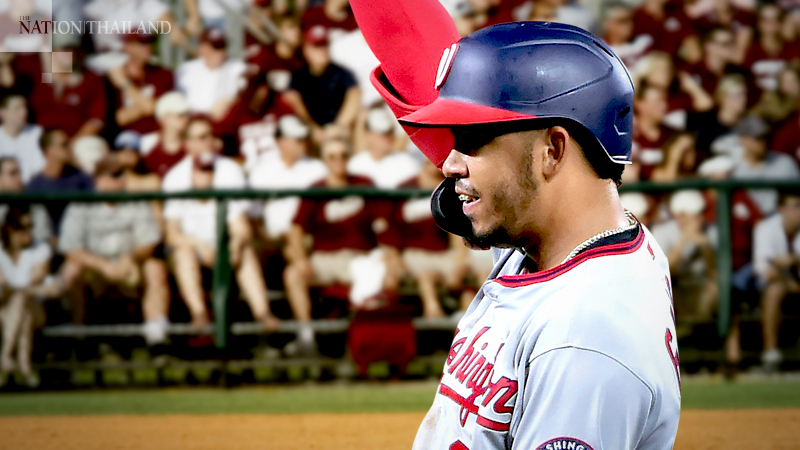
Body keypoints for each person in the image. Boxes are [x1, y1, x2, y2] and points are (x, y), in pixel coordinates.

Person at [351, 1, 680, 448]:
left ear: (553, 150)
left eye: (471, 138)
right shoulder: (551, 237)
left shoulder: (584, 337)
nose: (447, 161)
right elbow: (414, 50)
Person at [163, 116, 279, 331]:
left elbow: (240, 224)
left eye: (210, 135)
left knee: (244, 251)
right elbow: (172, 234)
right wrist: (199, 245)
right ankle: (199, 314)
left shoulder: (229, 170)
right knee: (183, 254)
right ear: (187, 143)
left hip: (224, 242)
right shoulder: (175, 177)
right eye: (201, 137)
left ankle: (263, 313)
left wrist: (232, 246)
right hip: (194, 247)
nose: (208, 141)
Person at [284, 137, 398, 355]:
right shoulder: (315, 190)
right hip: (324, 259)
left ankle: (370, 350)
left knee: (384, 280)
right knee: (293, 274)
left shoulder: (364, 184)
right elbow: (295, 230)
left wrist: (389, 256)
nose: (338, 161)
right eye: (332, 156)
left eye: (343, 156)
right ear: (324, 160)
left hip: (361, 258)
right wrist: (301, 259)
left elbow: (384, 225)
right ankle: (306, 336)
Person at [59, 157, 170, 349]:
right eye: (113, 176)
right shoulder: (81, 203)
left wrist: (130, 257)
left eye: (121, 175)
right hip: (94, 268)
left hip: (130, 265)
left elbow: (149, 242)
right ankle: (78, 339)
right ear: (98, 180)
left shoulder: (136, 201)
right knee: (70, 270)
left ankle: (157, 340)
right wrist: (102, 265)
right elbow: (71, 248)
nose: (120, 180)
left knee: (155, 268)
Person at [0, 206, 51, 388]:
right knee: (23, 315)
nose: (29, 232)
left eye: (31, 226)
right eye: (23, 227)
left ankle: (5, 357)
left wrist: (14, 290)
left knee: (22, 301)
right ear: (10, 229)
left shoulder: (40, 249)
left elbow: (38, 281)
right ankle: (25, 368)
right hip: (6, 312)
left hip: (35, 310)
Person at [283, 25, 361, 142]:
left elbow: (355, 95)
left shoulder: (341, 72)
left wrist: (339, 125)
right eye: (317, 46)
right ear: (306, 49)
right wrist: (312, 127)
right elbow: (293, 101)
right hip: (312, 131)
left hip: (339, 128)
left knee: (361, 118)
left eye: (324, 45)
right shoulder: (298, 76)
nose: (322, 50)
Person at [752, 190, 800, 371]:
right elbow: (764, 271)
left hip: (794, 282)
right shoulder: (766, 228)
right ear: (781, 209)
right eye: (795, 206)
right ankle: (771, 353)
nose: (799, 211)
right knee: (774, 289)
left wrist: (794, 259)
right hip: (774, 286)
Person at [26, 129, 94, 235]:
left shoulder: (81, 178)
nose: (69, 148)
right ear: (49, 151)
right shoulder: (35, 186)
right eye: (64, 145)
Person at [107, 33, 174, 135]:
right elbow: (119, 118)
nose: (148, 47)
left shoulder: (163, 74)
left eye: (151, 42)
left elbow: (154, 108)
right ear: (128, 47)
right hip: (126, 135)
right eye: (142, 43)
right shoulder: (114, 74)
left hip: (157, 134)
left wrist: (125, 84)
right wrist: (147, 104)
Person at [732, 115, 800, 215]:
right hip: (746, 222)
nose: (763, 142)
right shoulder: (732, 167)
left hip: (780, 222)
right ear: (743, 139)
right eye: (758, 138)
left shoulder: (784, 162)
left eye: (766, 137)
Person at [175, 28, 247, 120]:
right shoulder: (186, 69)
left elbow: (248, 97)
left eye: (223, 46)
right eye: (216, 47)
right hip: (192, 122)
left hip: (225, 122)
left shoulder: (238, 68)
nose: (221, 52)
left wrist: (230, 102)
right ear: (202, 49)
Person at [347, 107, 420, 188]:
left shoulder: (406, 163)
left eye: (389, 132)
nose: (387, 137)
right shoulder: (355, 164)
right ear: (367, 134)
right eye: (381, 133)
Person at [0, 158, 52, 244]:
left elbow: (43, 240)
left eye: (19, 172)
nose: (19, 177)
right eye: (13, 173)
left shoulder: (34, 204)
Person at [141, 92, 190, 178]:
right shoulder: (147, 145)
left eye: (187, 113)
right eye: (180, 115)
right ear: (163, 119)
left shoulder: (193, 143)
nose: (186, 118)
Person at [0, 94, 45, 183]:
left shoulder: (37, 134)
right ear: (3, 112)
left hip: (33, 191)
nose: (24, 112)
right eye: (17, 108)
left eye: (25, 108)